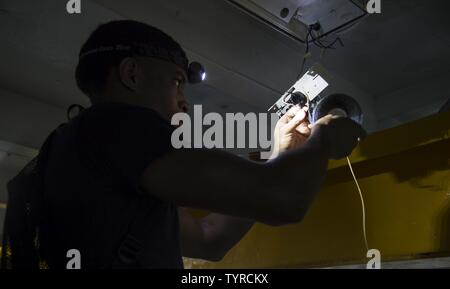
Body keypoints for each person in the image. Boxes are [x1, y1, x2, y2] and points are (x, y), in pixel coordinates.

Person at [11, 20, 366, 269]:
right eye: (177, 82)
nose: (184, 102)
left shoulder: (78, 147)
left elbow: (210, 239)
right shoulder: (115, 125)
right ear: (131, 74)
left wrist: (275, 155)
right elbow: (285, 201)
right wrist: (324, 139)